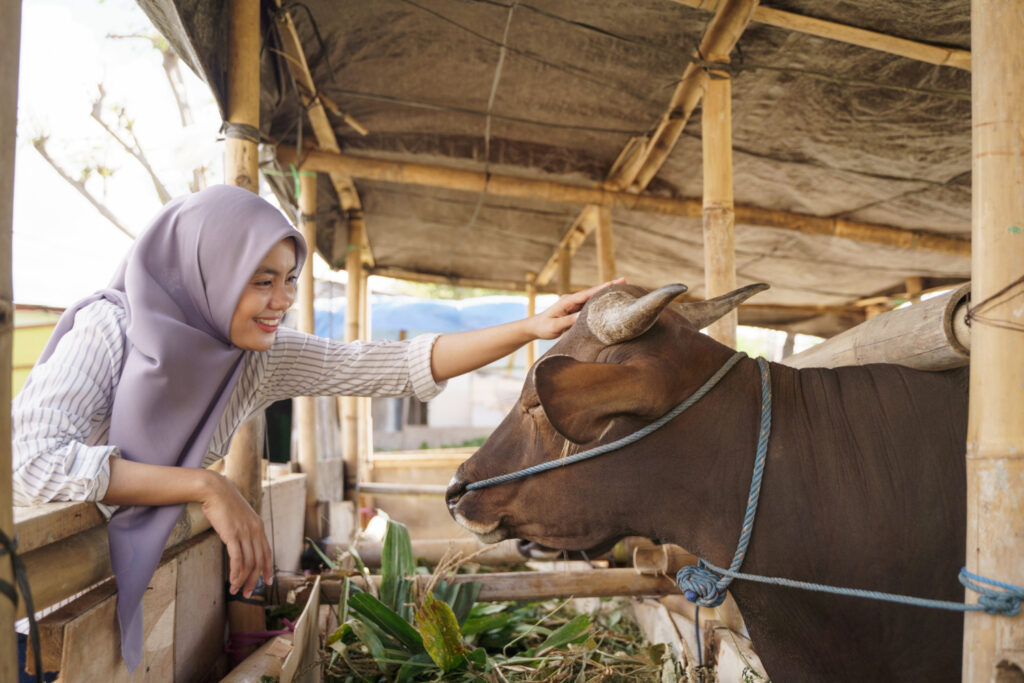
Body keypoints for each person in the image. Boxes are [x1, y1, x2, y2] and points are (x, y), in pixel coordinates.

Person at [11, 184, 615, 670]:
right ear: (208, 273)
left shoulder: (255, 358)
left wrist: (529, 327)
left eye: (289, 278)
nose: (283, 300)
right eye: (262, 280)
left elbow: (390, 365)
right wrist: (204, 486)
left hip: (133, 604)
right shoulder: (108, 331)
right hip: (40, 615)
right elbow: (29, 462)